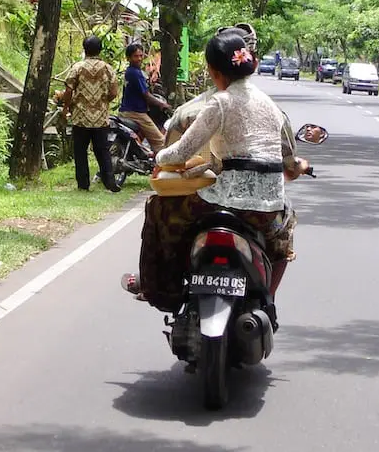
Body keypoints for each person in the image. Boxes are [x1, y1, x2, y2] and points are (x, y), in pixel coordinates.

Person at [126, 27, 301, 314]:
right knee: (285, 235)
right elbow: (281, 160)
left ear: (212, 70)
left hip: (224, 201)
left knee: (158, 208)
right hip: (268, 207)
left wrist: (158, 156)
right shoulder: (271, 106)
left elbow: (182, 151)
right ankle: (268, 301)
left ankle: (158, 287)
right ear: (251, 63)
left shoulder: (218, 102)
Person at [63, 35, 121, 192]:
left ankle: (83, 184)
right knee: (102, 150)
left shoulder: (77, 68)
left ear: (84, 49)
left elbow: (68, 89)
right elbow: (114, 91)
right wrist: (104, 101)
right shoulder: (108, 69)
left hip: (80, 117)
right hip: (101, 117)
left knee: (80, 151)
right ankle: (110, 182)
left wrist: (67, 107)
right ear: (100, 49)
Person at [119, 43, 171, 153]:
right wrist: (162, 104)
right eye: (135, 56)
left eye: (141, 56)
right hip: (136, 113)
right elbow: (146, 95)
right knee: (160, 141)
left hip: (126, 111)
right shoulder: (136, 73)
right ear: (128, 58)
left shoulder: (130, 72)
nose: (139, 59)